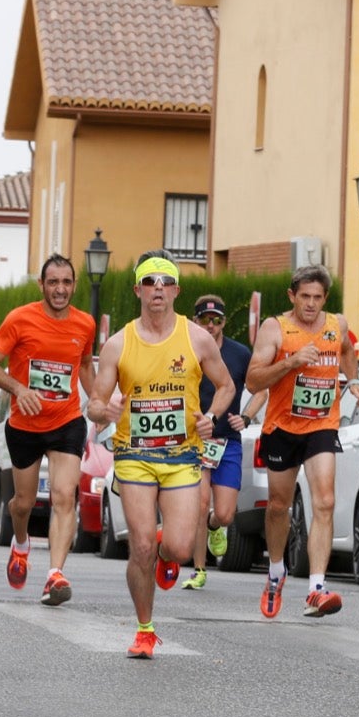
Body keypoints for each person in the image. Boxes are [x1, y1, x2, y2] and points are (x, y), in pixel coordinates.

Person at [86, 254, 235, 657]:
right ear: (138, 289)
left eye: (165, 281)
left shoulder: (196, 338)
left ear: (175, 291)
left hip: (182, 455)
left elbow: (226, 385)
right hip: (133, 454)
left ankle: (165, 549)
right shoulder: (118, 343)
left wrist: (212, 417)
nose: (157, 287)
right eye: (149, 281)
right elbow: (94, 404)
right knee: (140, 545)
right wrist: (106, 410)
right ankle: (145, 630)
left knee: (181, 548)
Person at [245, 264, 359, 619]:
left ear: (325, 298)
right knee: (279, 507)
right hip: (282, 427)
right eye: (305, 297)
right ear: (292, 296)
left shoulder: (337, 324)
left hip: (321, 425)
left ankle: (316, 587)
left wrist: (354, 380)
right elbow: (254, 381)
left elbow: (346, 351)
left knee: (325, 501)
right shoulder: (275, 328)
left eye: (317, 298)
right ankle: (276, 572)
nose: (311, 304)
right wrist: (291, 362)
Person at [0, 255, 97, 606]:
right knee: (23, 504)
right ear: (42, 286)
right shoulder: (19, 319)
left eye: (66, 282)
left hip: (67, 423)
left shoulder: (85, 324)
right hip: (24, 425)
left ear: (74, 285)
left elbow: (86, 365)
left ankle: (55, 575)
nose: (60, 289)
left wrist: (97, 402)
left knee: (65, 496)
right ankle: (20, 544)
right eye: (53, 282)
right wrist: (19, 389)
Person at [181, 295, 267, 590]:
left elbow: (260, 391)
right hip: (196, 440)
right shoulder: (185, 351)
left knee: (226, 513)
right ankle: (199, 570)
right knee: (201, 502)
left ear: (224, 322)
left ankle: (215, 527)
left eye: (217, 320)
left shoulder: (240, 353)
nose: (211, 326)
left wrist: (246, 416)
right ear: (195, 322)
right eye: (205, 320)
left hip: (227, 441)